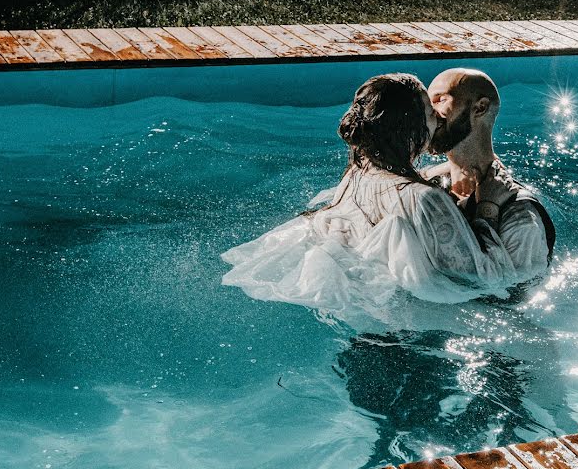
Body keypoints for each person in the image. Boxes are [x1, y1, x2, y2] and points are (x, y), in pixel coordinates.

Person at [221, 73, 521, 319]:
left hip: (366, 323)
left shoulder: (356, 175)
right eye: (430, 114)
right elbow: (487, 279)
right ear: (411, 125)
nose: (438, 121)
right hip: (418, 333)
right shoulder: (422, 199)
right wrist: (488, 207)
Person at [424, 68, 555, 275]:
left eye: (440, 100)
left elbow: (510, 299)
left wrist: (486, 213)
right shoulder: (428, 181)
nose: (428, 113)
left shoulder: (520, 219)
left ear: (480, 108)